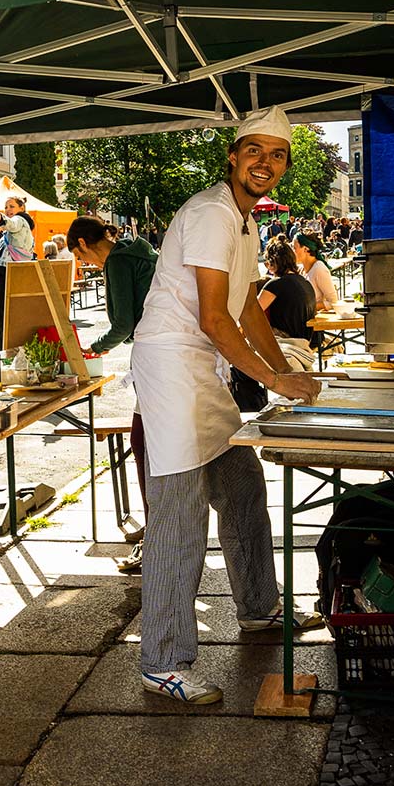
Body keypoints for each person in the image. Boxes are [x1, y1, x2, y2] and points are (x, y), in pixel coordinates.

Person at [130, 105, 322, 706]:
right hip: (170, 365)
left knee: (240, 482)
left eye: (278, 154)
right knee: (179, 517)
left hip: (199, 367)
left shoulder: (246, 222)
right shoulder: (214, 213)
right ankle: (162, 660)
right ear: (233, 157)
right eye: (255, 151)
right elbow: (215, 317)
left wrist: (288, 370)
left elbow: (243, 310)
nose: (266, 163)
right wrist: (272, 378)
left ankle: (259, 607)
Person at [66, 215, 159, 574]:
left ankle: (156, 534)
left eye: (81, 256)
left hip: (154, 353)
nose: (86, 263)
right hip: (168, 350)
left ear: (84, 245)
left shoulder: (118, 260)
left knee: (142, 444)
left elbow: (123, 324)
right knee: (148, 442)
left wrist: (93, 348)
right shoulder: (139, 250)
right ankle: (158, 529)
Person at [0, 195, 35, 347]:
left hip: (2, 273)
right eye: (6, 207)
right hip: (14, 273)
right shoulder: (24, 228)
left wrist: (1, 218)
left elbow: (12, 224)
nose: (8, 209)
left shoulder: (20, 220)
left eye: (12, 206)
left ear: (21, 208)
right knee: (7, 316)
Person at [258, 238, 318, 339]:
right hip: (309, 338)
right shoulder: (304, 281)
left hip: (287, 338)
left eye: (267, 263)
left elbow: (253, 311)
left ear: (273, 262)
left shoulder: (276, 284)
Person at [293, 233, 338, 312]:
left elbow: (333, 302)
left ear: (305, 249)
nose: (292, 252)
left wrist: (307, 308)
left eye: (294, 248)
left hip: (314, 321)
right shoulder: (301, 269)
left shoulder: (319, 268)